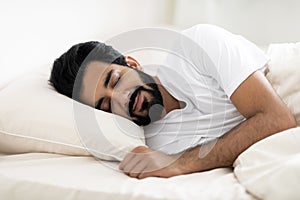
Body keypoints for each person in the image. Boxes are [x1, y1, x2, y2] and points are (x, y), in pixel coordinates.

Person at [49, 24, 296, 179]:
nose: (121, 99)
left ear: (132, 64)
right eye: (105, 105)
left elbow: (277, 120)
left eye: (115, 80)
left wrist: (180, 164)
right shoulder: (155, 145)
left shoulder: (196, 45)